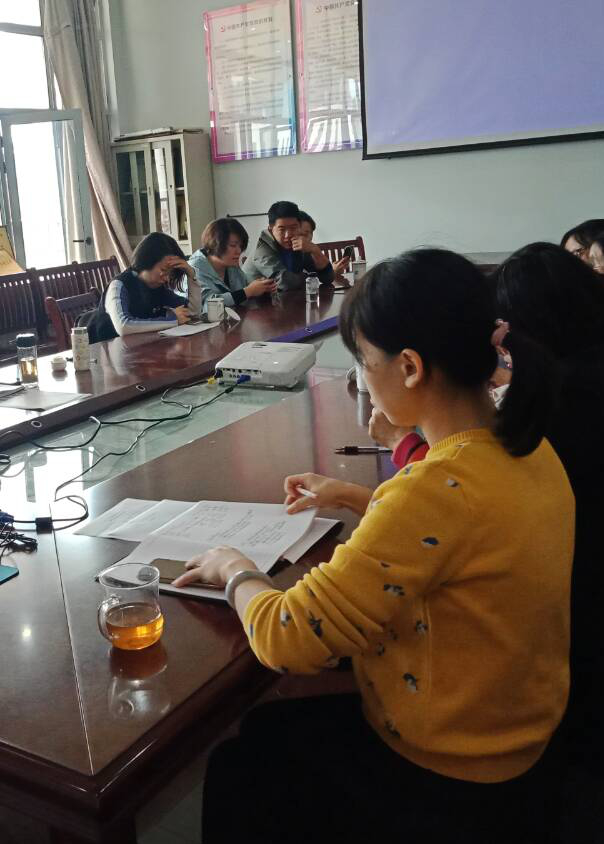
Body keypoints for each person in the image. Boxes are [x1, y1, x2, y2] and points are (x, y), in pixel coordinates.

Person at [176, 249, 573, 842]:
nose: (361, 377)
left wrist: (235, 568)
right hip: (520, 745)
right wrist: (358, 497)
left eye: (363, 360)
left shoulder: (435, 488)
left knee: (244, 758)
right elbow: (460, 537)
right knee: (271, 734)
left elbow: (288, 636)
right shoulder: (527, 445)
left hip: (451, 776)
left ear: (409, 367)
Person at [369, 243, 604, 775]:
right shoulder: (581, 377)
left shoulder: (559, 412)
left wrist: (406, 447)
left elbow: (466, 501)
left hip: (546, 662)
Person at [86, 232, 195, 343]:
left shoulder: (158, 287)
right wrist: (172, 320)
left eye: (170, 274)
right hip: (105, 350)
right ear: (147, 260)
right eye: (163, 270)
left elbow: (192, 312)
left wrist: (191, 276)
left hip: (138, 348)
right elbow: (123, 326)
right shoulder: (119, 285)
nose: (167, 278)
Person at [242, 200, 334, 291]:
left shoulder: (296, 244)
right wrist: (313, 277)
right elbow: (286, 283)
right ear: (271, 229)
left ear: (299, 226)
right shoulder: (261, 250)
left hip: (284, 298)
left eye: (293, 228)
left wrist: (315, 250)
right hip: (254, 300)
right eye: (282, 229)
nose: (288, 235)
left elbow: (327, 278)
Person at [188, 217, 277, 310]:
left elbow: (244, 293)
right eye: (233, 245)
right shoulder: (193, 268)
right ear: (215, 243)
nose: (239, 251)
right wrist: (248, 291)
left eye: (240, 246)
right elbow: (207, 304)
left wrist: (262, 289)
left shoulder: (231, 266)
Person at [298, 210, 352, 284]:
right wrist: (334, 271)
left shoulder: (309, 254)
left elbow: (325, 279)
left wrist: (334, 272)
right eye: (297, 234)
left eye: (305, 235)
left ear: (312, 235)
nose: (302, 240)